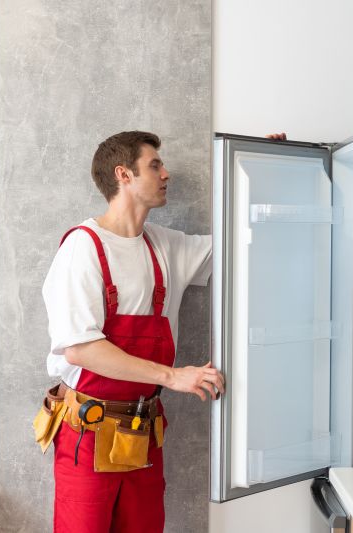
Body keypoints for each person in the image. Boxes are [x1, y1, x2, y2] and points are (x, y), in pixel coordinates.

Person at [41, 130, 226, 533]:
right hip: (87, 434)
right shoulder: (83, 248)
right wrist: (173, 376)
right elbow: (80, 349)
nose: (166, 173)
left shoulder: (166, 246)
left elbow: (241, 244)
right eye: (155, 165)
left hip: (142, 436)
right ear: (123, 174)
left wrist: (265, 165)